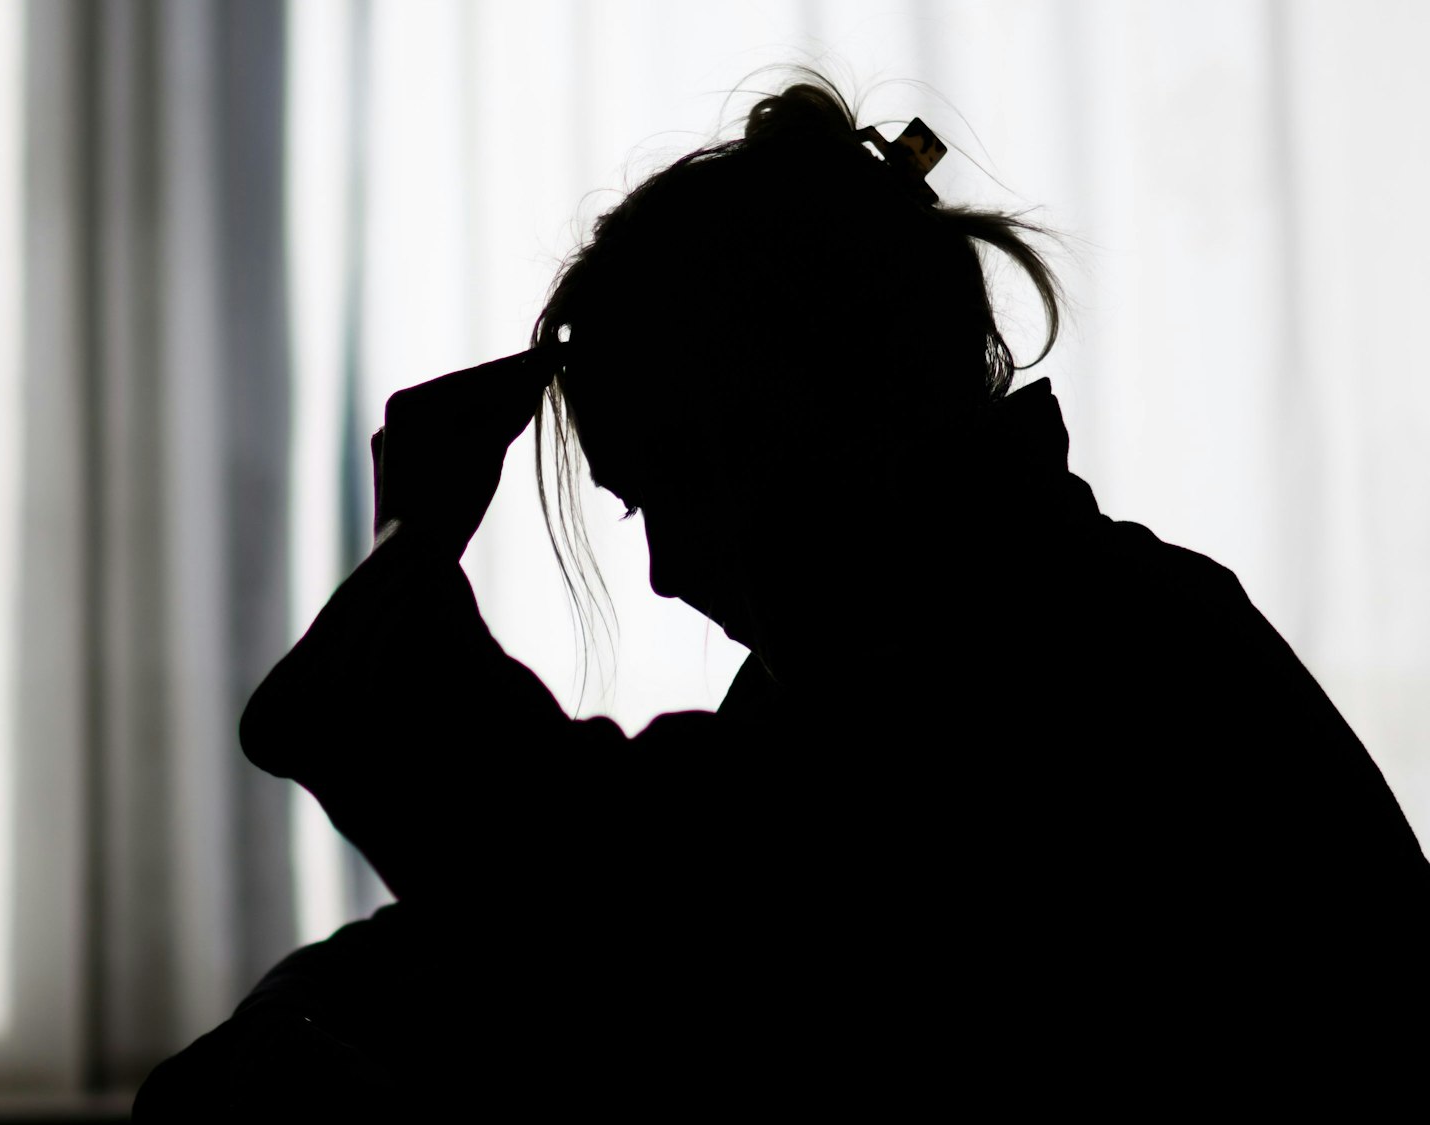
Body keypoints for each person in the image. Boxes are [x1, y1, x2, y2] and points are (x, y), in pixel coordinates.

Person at [135, 75, 1430, 1119]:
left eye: (675, 481)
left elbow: (624, 897)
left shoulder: (1073, 667)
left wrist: (415, 555)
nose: (666, 567)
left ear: (823, 412)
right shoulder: (997, 627)